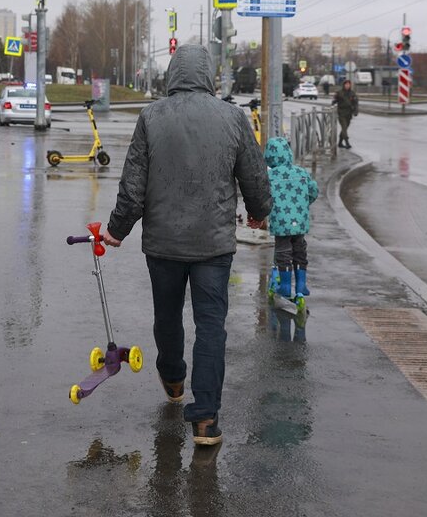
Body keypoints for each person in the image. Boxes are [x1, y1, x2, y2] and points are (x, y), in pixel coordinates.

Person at [103, 45, 270, 448]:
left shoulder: (151, 116)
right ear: (209, 75)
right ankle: (205, 420)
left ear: (173, 74)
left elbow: (133, 184)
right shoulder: (232, 117)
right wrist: (259, 211)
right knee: (211, 327)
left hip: (163, 244)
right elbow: (254, 173)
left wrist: (117, 230)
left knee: (167, 315)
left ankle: (174, 377)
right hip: (213, 245)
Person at [263, 136, 320, 303]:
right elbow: (313, 191)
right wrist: (303, 204)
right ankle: (301, 285)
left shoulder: (270, 176)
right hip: (300, 220)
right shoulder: (301, 172)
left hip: (281, 221)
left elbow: (263, 197)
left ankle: (286, 286)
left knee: (283, 251)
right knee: (299, 249)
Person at [332, 79, 359, 149]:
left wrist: (356, 111)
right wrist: (334, 101)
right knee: (344, 127)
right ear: (343, 85)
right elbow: (334, 101)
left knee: (345, 128)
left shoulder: (352, 93)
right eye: (346, 84)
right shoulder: (339, 93)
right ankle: (347, 142)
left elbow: (355, 103)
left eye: (348, 84)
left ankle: (340, 143)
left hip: (349, 113)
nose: (347, 85)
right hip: (341, 113)